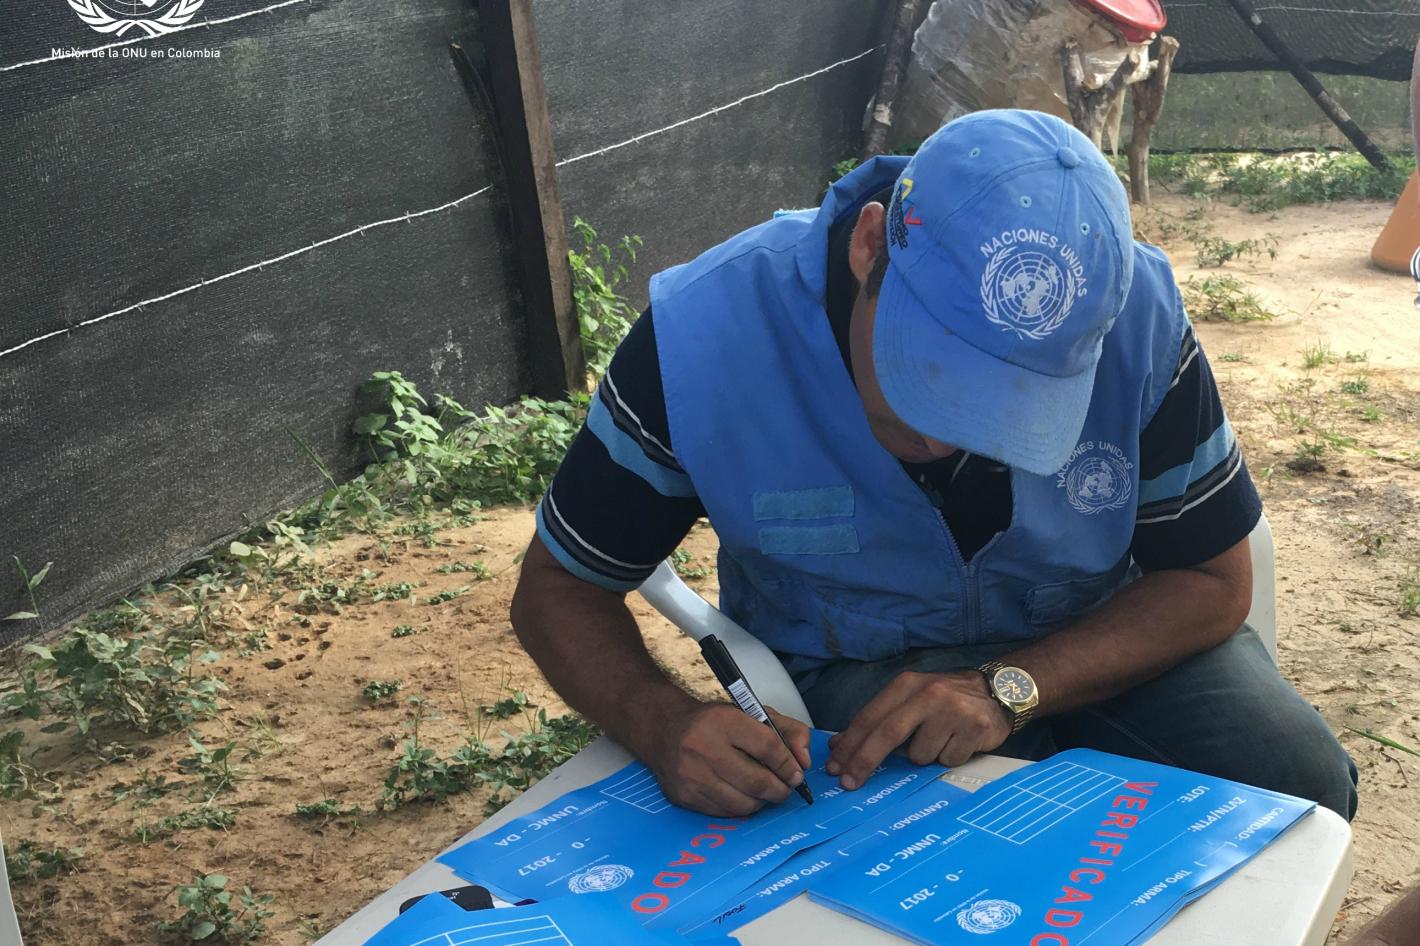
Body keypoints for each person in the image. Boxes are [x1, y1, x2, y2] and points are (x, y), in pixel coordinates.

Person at [511, 109, 1357, 821]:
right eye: (930, 377)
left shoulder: (1136, 317)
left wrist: (1012, 686)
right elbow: (558, 589)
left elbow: (1212, 579)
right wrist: (662, 722)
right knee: (971, 849)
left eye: (1012, 401)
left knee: (1301, 789)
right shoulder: (704, 337)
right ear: (868, 246)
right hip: (855, 670)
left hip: (1093, 632)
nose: (949, 443)